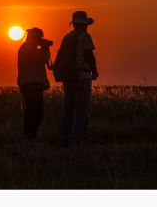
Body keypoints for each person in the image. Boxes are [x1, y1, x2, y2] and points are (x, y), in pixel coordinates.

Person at [57, 11, 98, 145]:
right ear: (85, 24)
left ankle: (63, 138)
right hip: (82, 76)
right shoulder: (85, 36)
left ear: (74, 24)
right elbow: (89, 55)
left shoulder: (67, 37)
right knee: (82, 109)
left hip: (68, 77)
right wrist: (95, 71)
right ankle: (77, 139)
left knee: (68, 109)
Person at [17, 27, 52, 141]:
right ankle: (30, 136)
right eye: (39, 38)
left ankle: (29, 137)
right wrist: (45, 48)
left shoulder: (28, 48)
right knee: (36, 112)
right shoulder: (29, 49)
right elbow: (43, 59)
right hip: (31, 84)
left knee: (32, 111)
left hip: (29, 84)